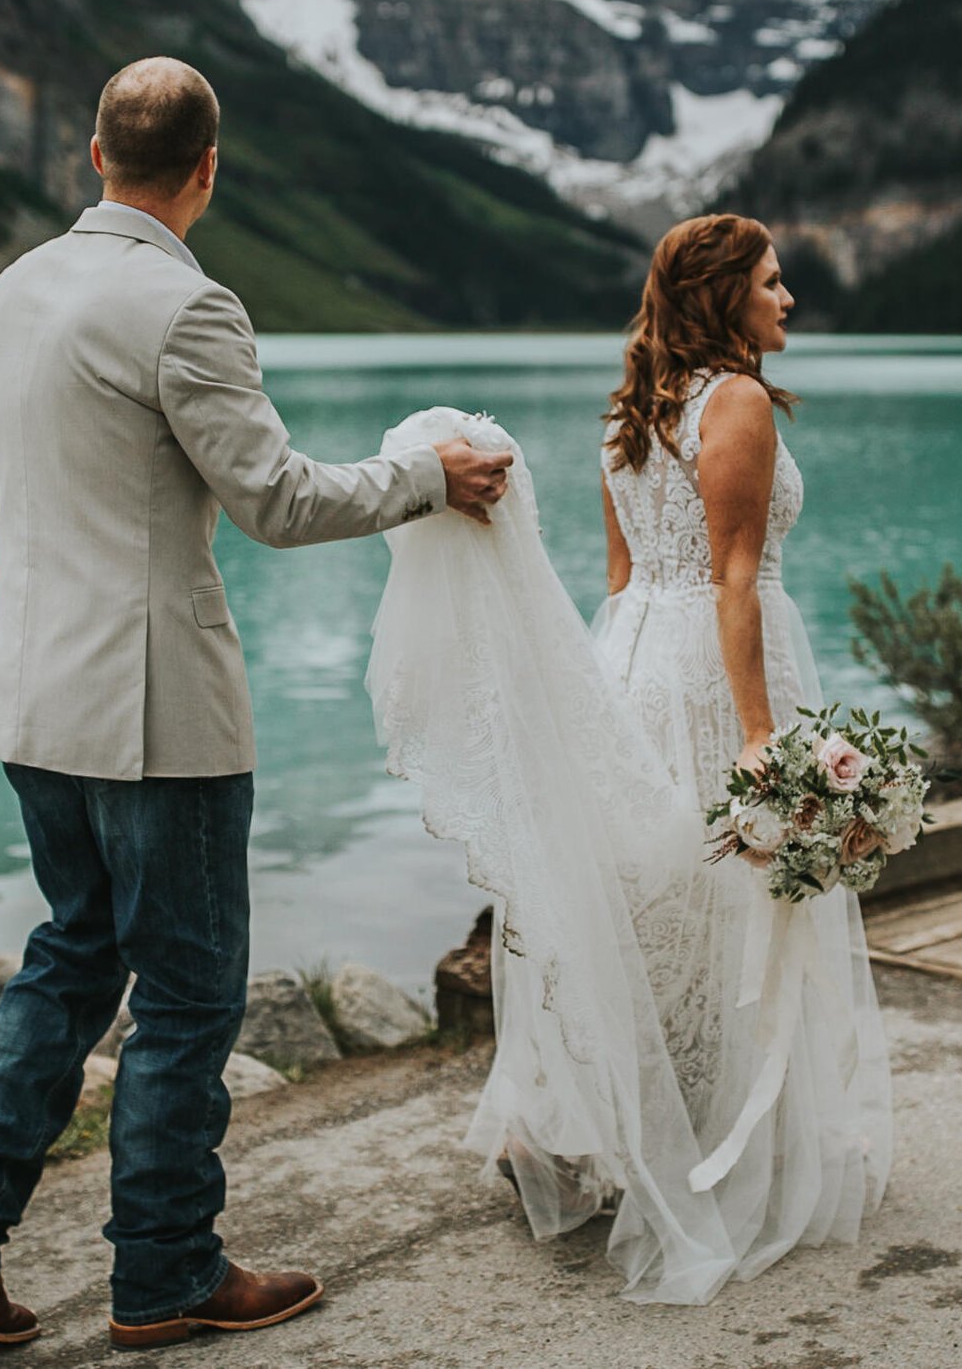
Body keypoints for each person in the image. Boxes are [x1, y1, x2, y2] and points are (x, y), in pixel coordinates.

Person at [0, 57, 512, 1350]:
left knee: (71, 951)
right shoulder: (188, 307)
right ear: (208, 170)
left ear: (94, 156)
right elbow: (277, 500)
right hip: (155, 711)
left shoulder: (12, 289)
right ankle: (164, 1269)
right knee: (187, 992)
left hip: (30, 692)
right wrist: (422, 474)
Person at [365, 213, 892, 1304]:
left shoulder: (632, 412)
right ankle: (697, 1143)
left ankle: (602, 1123)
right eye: (774, 282)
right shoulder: (736, 400)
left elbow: (620, 576)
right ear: (724, 295)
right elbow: (735, 577)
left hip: (637, 656)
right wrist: (761, 737)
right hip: (718, 664)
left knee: (649, 900)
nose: (788, 299)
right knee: (719, 902)